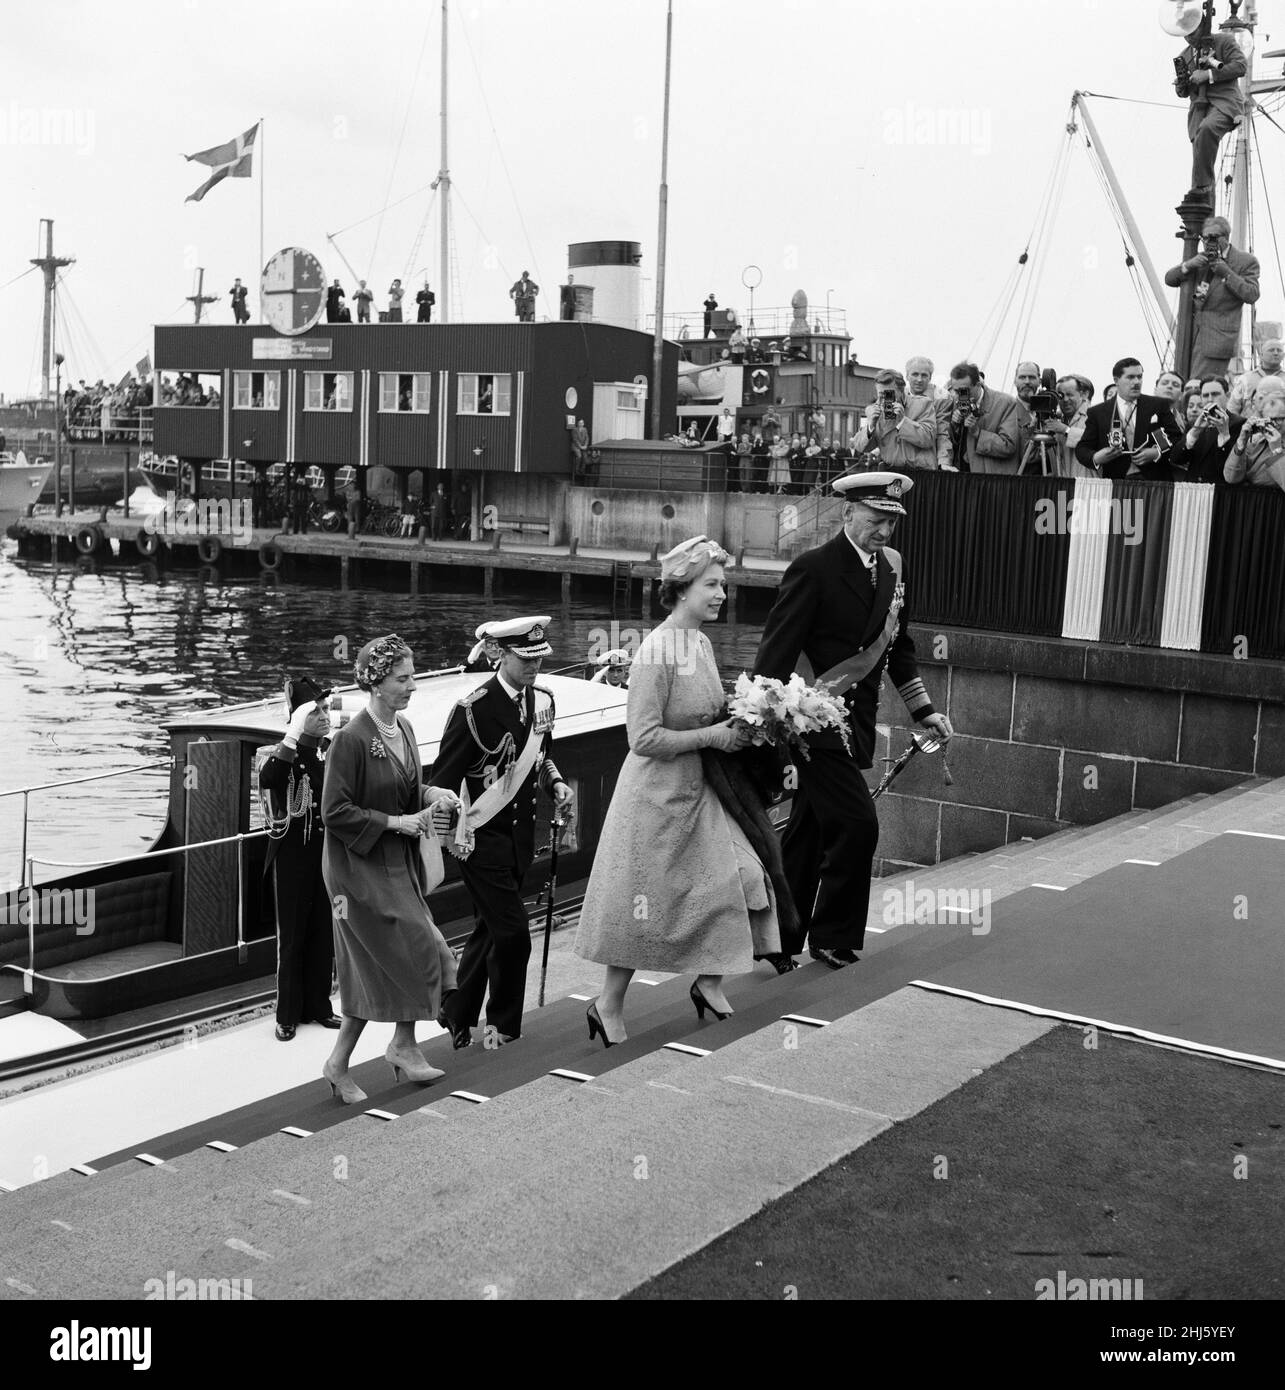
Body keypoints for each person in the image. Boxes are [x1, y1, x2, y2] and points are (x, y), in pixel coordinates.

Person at [575, 538, 779, 1044]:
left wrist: (752, 720)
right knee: (642, 904)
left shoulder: (702, 644)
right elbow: (642, 738)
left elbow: (707, 712)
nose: (721, 595)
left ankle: (708, 983)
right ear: (681, 589)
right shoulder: (655, 651)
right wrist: (714, 736)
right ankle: (608, 1005)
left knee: (743, 878)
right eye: (711, 585)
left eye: (722, 586)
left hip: (700, 791)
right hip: (654, 799)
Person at [753, 474, 953, 971]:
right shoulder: (813, 569)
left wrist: (923, 709)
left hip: (858, 719)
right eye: (875, 519)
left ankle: (779, 940)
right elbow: (775, 654)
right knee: (857, 825)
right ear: (847, 514)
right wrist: (769, 728)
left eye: (891, 521)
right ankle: (833, 936)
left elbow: (897, 646)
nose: (883, 530)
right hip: (811, 722)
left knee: (809, 832)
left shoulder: (893, 568)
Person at [320, 635, 461, 1103]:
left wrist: (433, 794)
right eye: (403, 679)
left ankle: (349, 1061)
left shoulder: (402, 730)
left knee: (380, 965)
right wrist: (396, 822)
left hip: (396, 864)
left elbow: (405, 790)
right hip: (356, 871)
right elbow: (333, 812)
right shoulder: (350, 739)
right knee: (418, 946)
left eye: (413, 676)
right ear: (376, 684)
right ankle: (401, 1045)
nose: (412, 686)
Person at [432, 617, 575, 1049]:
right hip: (479, 838)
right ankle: (504, 1023)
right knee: (512, 931)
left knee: (489, 929)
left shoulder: (544, 700)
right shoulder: (473, 709)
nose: (534, 667)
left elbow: (541, 757)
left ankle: (456, 1010)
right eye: (525, 658)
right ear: (501, 655)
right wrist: (447, 824)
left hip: (520, 838)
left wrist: (556, 783)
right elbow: (443, 778)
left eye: (539, 658)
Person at [258, 675, 341, 1042]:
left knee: (323, 930)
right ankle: (287, 1013)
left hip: (323, 854)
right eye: (316, 711)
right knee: (292, 936)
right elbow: (269, 779)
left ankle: (319, 1006)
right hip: (292, 855)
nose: (325, 716)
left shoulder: (329, 751)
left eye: (325, 709)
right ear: (298, 717)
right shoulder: (282, 754)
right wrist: (292, 735)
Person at [1163, 217, 1260, 381]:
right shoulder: (1199, 259)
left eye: (1212, 237)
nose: (1208, 242)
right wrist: (1188, 265)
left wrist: (1226, 272)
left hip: (1217, 338)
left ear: (1225, 237)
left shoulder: (1245, 261)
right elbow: (1170, 279)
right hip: (1190, 334)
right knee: (1183, 383)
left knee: (1200, 385)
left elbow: (1251, 294)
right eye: (1205, 237)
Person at [1075, 357, 1181, 481]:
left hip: (1155, 483)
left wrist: (1157, 452)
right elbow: (1082, 449)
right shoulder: (1097, 412)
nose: (1136, 382)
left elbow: (1177, 439)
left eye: (1139, 377)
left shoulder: (1158, 405)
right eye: (1130, 377)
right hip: (1117, 483)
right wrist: (1097, 457)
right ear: (1116, 380)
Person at [1176, 26, 1246, 201]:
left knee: (1207, 129)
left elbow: (1240, 66)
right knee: (1200, 156)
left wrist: (1208, 74)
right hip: (1199, 111)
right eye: (1186, 35)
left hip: (1225, 104)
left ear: (1202, 26)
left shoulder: (1224, 41)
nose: (1190, 38)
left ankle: (1202, 188)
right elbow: (1183, 93)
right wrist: (1181, 84)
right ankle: (1203, 207)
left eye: (1193, 33)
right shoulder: (1184, 55)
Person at [944, 361, 1020, 473]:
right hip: (960, 476)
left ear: (978, 385)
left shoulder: (1006, 403)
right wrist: (954, 425)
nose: (961, 395)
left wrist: (977, 433)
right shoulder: (954, 402)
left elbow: (1008, 446)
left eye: (964, 391)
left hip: (990, 479)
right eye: (956, 391)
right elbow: (946, 442)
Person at [853, 368, 937, 470]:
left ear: (902, 391)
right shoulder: (876, 410)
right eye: (881, 395)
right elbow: (860, 447)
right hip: (892, 473)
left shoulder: (923, 404)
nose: (885, 399)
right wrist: (871, 425)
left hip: (920, 473)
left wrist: (902, 421)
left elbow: (928, 439)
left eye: (889, 394)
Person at [1170, 376, 1242, 484]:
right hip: (1193, 491)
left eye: (1215, 394)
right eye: (1205, 395)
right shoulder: (1194, 424)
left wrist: (1224, 434)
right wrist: (1195, 432)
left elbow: (1231, 469)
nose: (1209, 399)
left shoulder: (1239, 423)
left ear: (1227, 396)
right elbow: (1176, 459)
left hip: (1220, 492)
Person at [1224, 392, 1285, 489]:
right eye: (1269, 419)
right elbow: (1231, 478)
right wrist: (1241, 442)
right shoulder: (1254, 442)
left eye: (1279, 419)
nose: (1274, 424)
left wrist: (1277, 451)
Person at [906, 355, 952, 469]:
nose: (919, 379)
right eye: (915, 374)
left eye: (924, 375)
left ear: (930, 377)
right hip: (901, 460)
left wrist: (944, 461)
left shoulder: (941, 397)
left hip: (925, 462)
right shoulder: (898, 395)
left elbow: (943, 432)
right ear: (907, 376)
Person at [1229, 339, 1285, 416]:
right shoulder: (1245, 379)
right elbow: (1232, 409)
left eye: (1279, 350)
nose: (1276, 353)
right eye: (1271, 350)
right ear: (1261, 355)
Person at [1054, 375, 1094, 477]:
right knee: (1061, 493)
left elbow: (1093, 441)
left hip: (1085, 485)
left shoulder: (1093, 414)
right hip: (1062, 485)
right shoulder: (1057, 420)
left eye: (1070, 394)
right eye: (1061, 395)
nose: (1066, 399)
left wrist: (1066, 430)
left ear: (1082, 395)